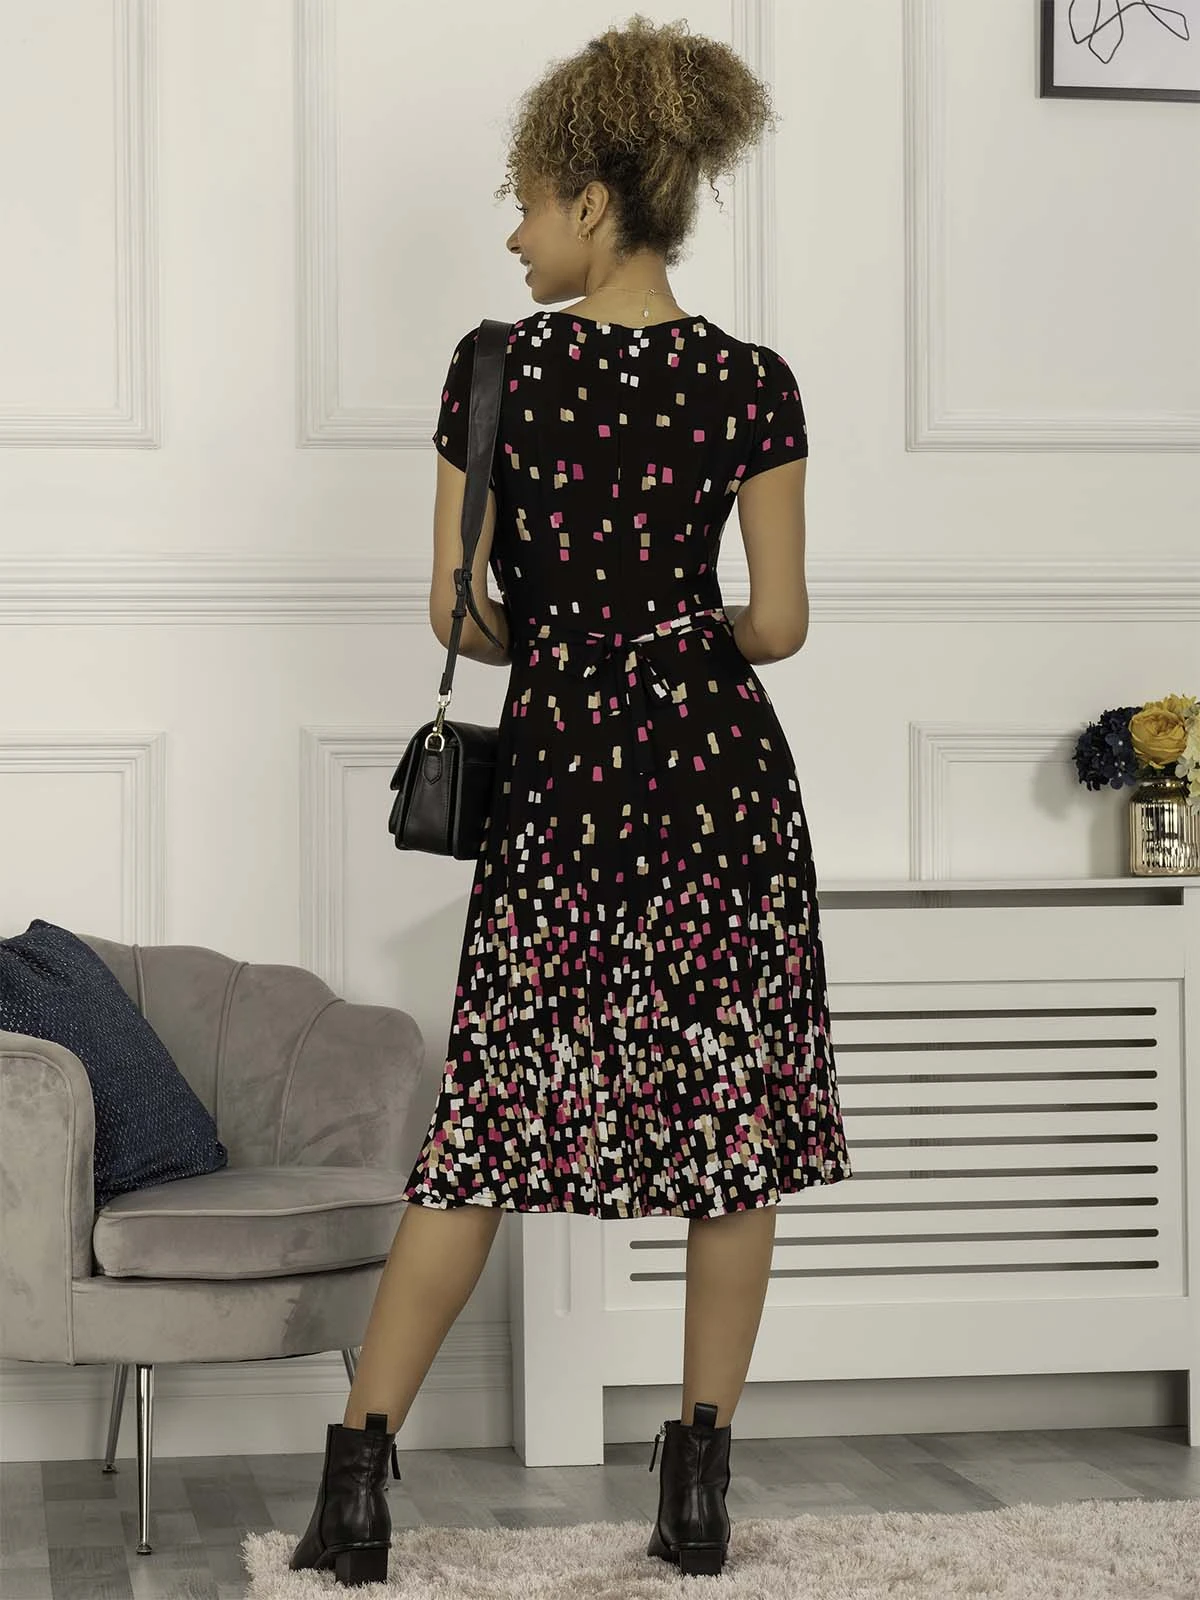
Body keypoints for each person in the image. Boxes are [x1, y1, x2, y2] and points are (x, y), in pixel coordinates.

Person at [289, 13, 852, 1586]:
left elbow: (460, 618)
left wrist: (565, 635)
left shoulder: (496, 371)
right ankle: (697, 1496)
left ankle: (357, 1487)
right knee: (732, 1134)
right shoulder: (751, 381)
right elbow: (779, 625)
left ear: (595, 200)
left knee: (483, 1129)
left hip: (563, 791)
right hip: (722, 792)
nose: (515, 233)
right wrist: (677, 632)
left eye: (529, 203)